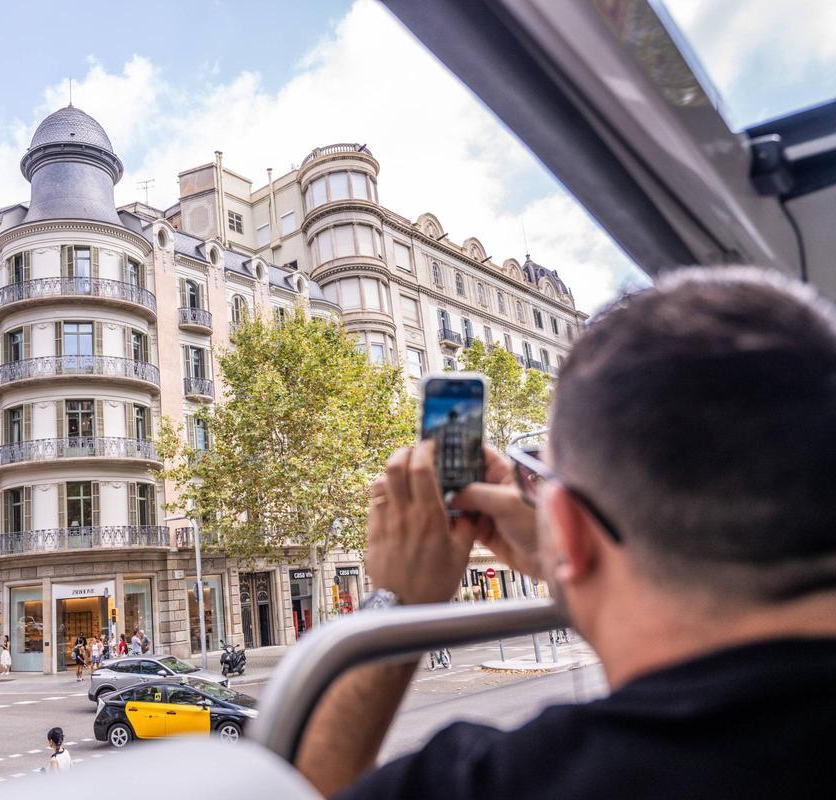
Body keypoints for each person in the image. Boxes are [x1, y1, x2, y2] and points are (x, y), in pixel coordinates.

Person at [297, 269, 836, 798]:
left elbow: (305, 785)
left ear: (572, 529)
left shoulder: (505, 782)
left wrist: (400, 601)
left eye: (541, 476)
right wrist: (567, 554)